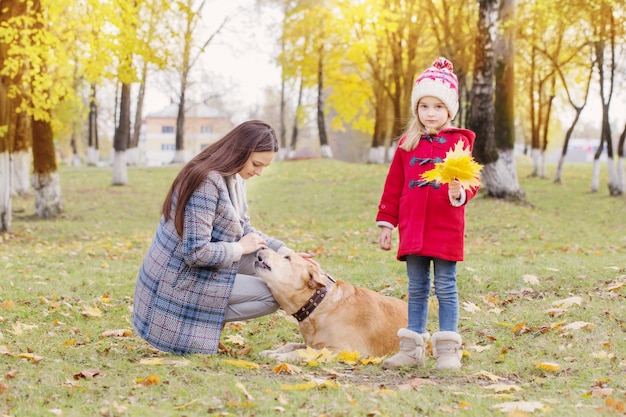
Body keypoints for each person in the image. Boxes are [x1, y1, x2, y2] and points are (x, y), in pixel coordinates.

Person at [133, 120, 306, 354]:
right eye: (256, 164)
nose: (259, 172)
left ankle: (204, 319)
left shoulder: (234, 177)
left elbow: (243, 228)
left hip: (202, 265)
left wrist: (285, 254)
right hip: (177, 282)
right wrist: (239, 249)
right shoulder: (206, 181)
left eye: (264, 166)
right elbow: (195, 252)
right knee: (270, 296)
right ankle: (193, 323)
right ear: (241, 151)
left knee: (274, 277)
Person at [376, 57, 478, 370]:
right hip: (412, 227)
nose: (430, 113)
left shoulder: (458, 142)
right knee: (416, 287)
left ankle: (448, 349)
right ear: (416, 109)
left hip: (445, 226)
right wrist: (386, 224)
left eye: (437, 107)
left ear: (449, 110)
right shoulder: (407, 145)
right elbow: (393, 186)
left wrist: (459, 191)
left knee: (446, 285)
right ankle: (411, 349)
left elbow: (471, 180)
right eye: (424, 106)